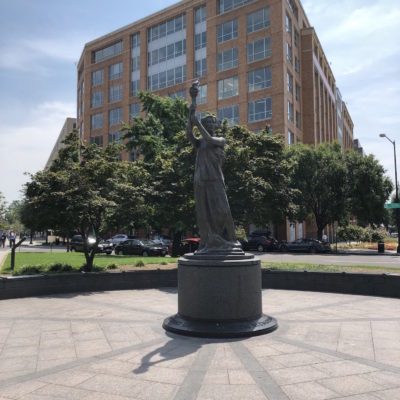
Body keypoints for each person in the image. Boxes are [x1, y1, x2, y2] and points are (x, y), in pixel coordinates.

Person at [186, 82, 241, 254]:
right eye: (206, 123)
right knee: (203, 213)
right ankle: (207, 241)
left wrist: (198, 124)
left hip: (216, 181)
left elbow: (209, 139)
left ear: (215, 126)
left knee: (223, 210)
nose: (209, 125)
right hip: (201, 180)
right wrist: (193, 104)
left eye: (211, 123)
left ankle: (231, 240)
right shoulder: (199, 143)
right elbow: (189, 133)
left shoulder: (220, 141)